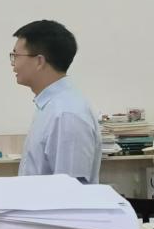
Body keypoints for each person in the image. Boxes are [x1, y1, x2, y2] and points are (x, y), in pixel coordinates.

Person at [10, 20, 101, 183]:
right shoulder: (50, 106)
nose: (13, 65)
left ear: (39, 61)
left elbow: (71, 190)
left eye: (16, 56)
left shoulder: (67, 114)